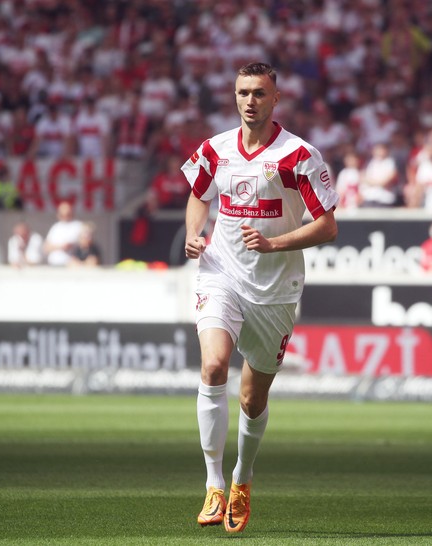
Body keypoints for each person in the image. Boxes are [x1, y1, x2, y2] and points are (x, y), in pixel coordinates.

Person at [181, 62, 338, 534]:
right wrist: (194, 232)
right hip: (221, 273)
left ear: (275, 99)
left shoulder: (298, 156)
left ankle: (241, 479)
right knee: (212, 366)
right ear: (234, 96)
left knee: (252, 397)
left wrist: (274, 244)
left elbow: (328, 226)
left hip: (274, 289)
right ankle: (212, 485)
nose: (250, 101)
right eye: (243, 92)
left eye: (260, 93)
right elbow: (198, 193)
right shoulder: (216, 148)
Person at [43, 201, 83, 266]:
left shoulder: (77, 226)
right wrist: (60, 247)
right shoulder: (55, 227)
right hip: (53, 264)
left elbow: (67, 246)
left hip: (69, 264)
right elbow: (46, 247)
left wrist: (54, 247)